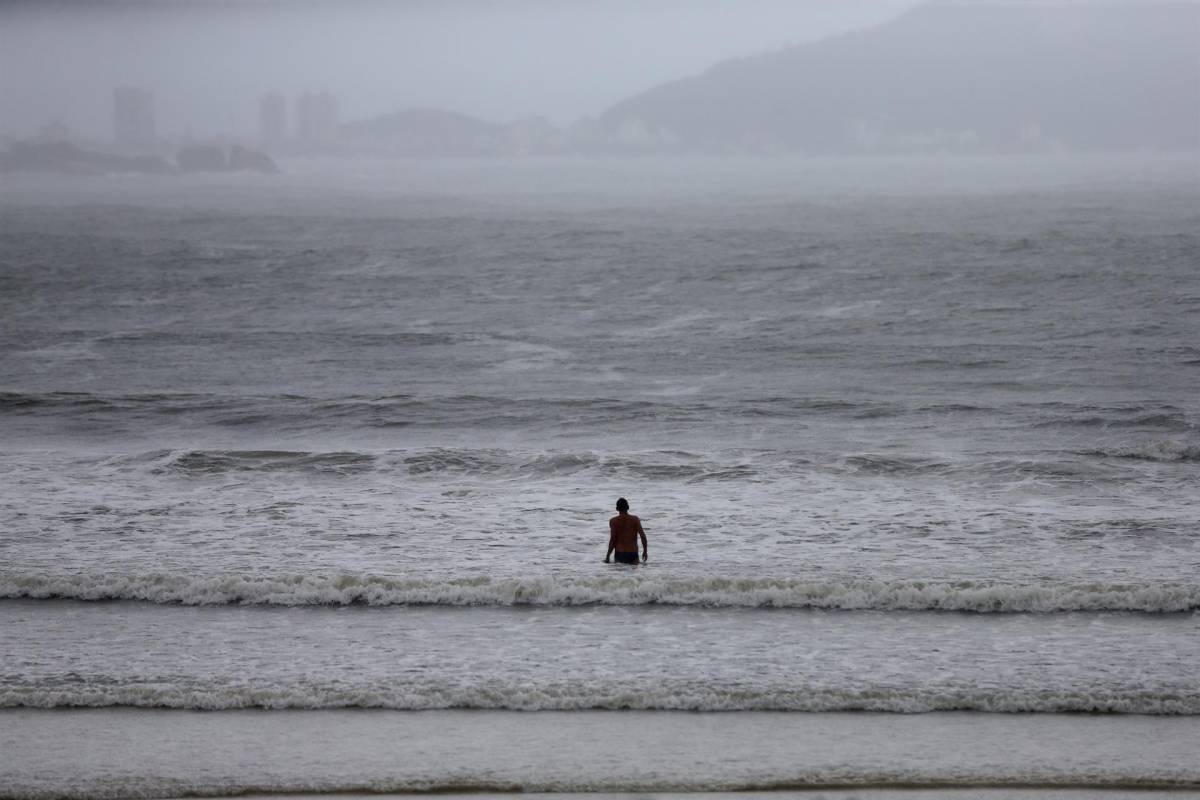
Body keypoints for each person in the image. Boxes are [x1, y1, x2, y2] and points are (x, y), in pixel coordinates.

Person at [605, 497, 647, 564]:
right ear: (628, 507)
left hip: (620, 553)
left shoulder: (613, 521)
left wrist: (607, 556)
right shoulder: (635, 519)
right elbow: (643, 536)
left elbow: (613, 539)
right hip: (633, 553)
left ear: (617, 509)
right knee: (635, 574)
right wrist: (645, 551)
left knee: (620, 573)